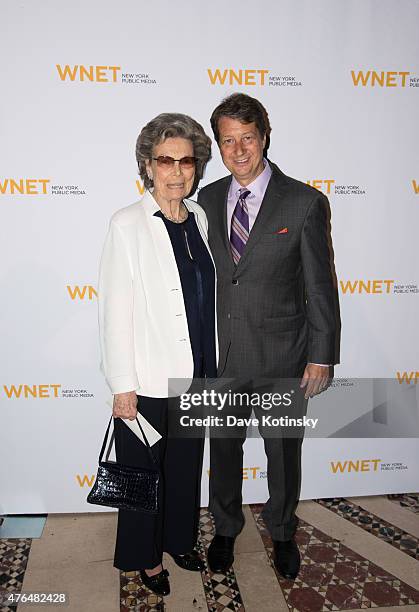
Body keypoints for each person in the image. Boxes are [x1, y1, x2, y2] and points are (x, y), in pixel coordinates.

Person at [197, 93, 340, 580]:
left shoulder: (303, 202)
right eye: (227, 140)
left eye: (247, 138)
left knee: (282, 451)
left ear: (265, 137)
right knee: (223, 448)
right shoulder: (208, 199)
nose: (237, 150)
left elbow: (320, 287)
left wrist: (321, 356)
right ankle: (225, 528)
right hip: (223, 357)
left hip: (284, 356)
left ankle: (281, 531)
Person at [98, 113, 215, 596]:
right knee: (141, 476)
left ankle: (178, 539)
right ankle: (144, 559)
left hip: (196, 374)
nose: (176, 170)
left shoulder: (201, 218)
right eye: (165, 159)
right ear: (148, 165)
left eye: (186, 159)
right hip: (146, 378)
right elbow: (113, 310)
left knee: (186, 466)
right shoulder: (127, 223)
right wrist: (121, 384)